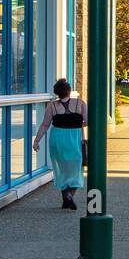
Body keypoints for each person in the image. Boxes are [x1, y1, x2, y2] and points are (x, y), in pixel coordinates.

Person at [32, 79, 86, 210]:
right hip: (74, 138)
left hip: (57, 138)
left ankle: (66, 197)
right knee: (76, 168)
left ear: (56, 92)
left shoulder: (52, 106)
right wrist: (77, 125)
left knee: (61, 168)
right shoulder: (80, 103)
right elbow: (88, 120)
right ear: (69, 90)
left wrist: (36, 140)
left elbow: (45, 125)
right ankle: (70, 195)